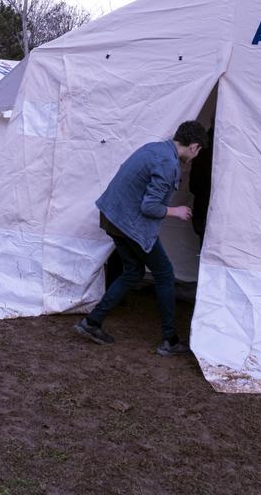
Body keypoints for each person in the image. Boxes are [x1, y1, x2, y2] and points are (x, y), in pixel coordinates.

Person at [75, 120, 208, 356]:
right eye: (197, 152)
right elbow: (149, 207)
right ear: (195, 147)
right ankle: (170, 340)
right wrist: (175, 211)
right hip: (127, 222)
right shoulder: (168, 163)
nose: (195, 157)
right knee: (165, 273)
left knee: (133, 271)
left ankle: (92, 322)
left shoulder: (154, 148)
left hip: (111, 215)